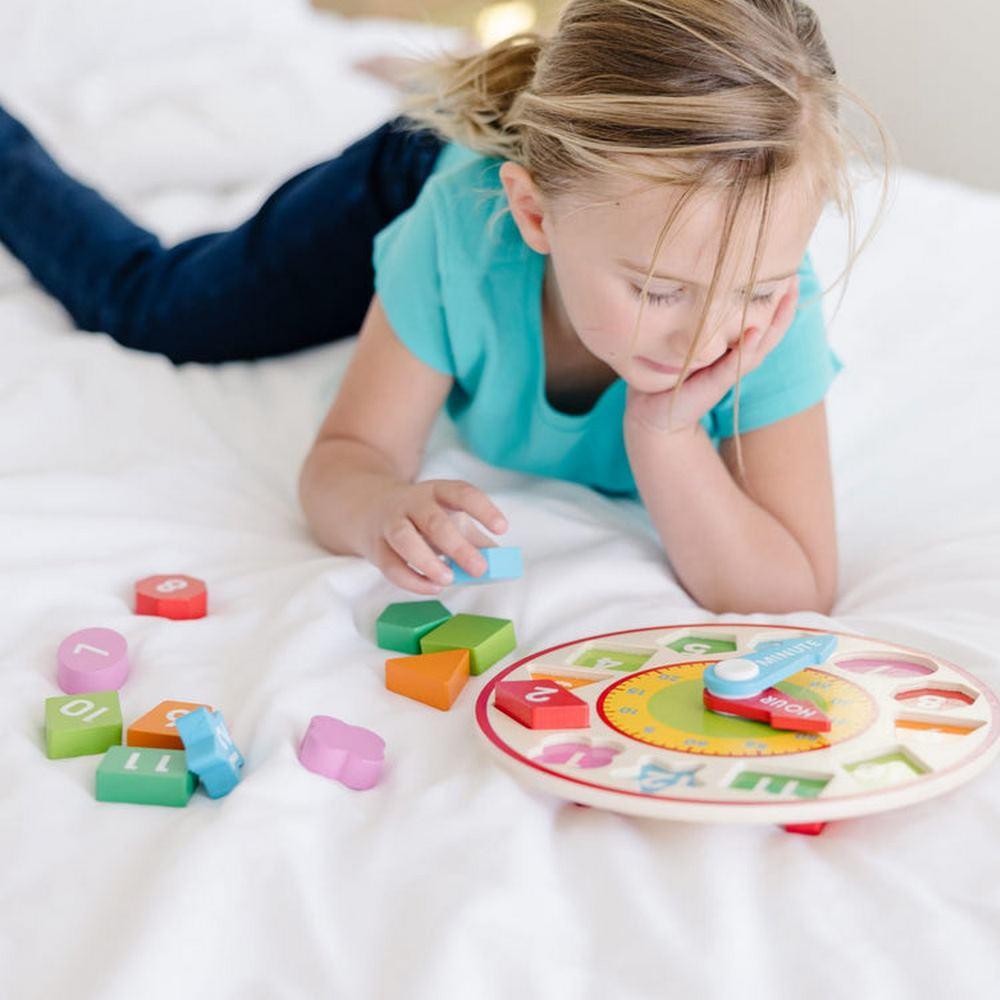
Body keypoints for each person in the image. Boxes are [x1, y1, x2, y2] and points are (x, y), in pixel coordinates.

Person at [0, 0, 892, 614]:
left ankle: (443, 76)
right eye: (659, 290)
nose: (708, 333)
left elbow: (795, 590)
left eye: (757, 286)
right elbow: (346, 459)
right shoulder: (463, 236)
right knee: (157, 308)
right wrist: (378, 505)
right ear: (536, 213)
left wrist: (664, 435)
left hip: (544, 186)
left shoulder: (765, 307)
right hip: (410, 179)